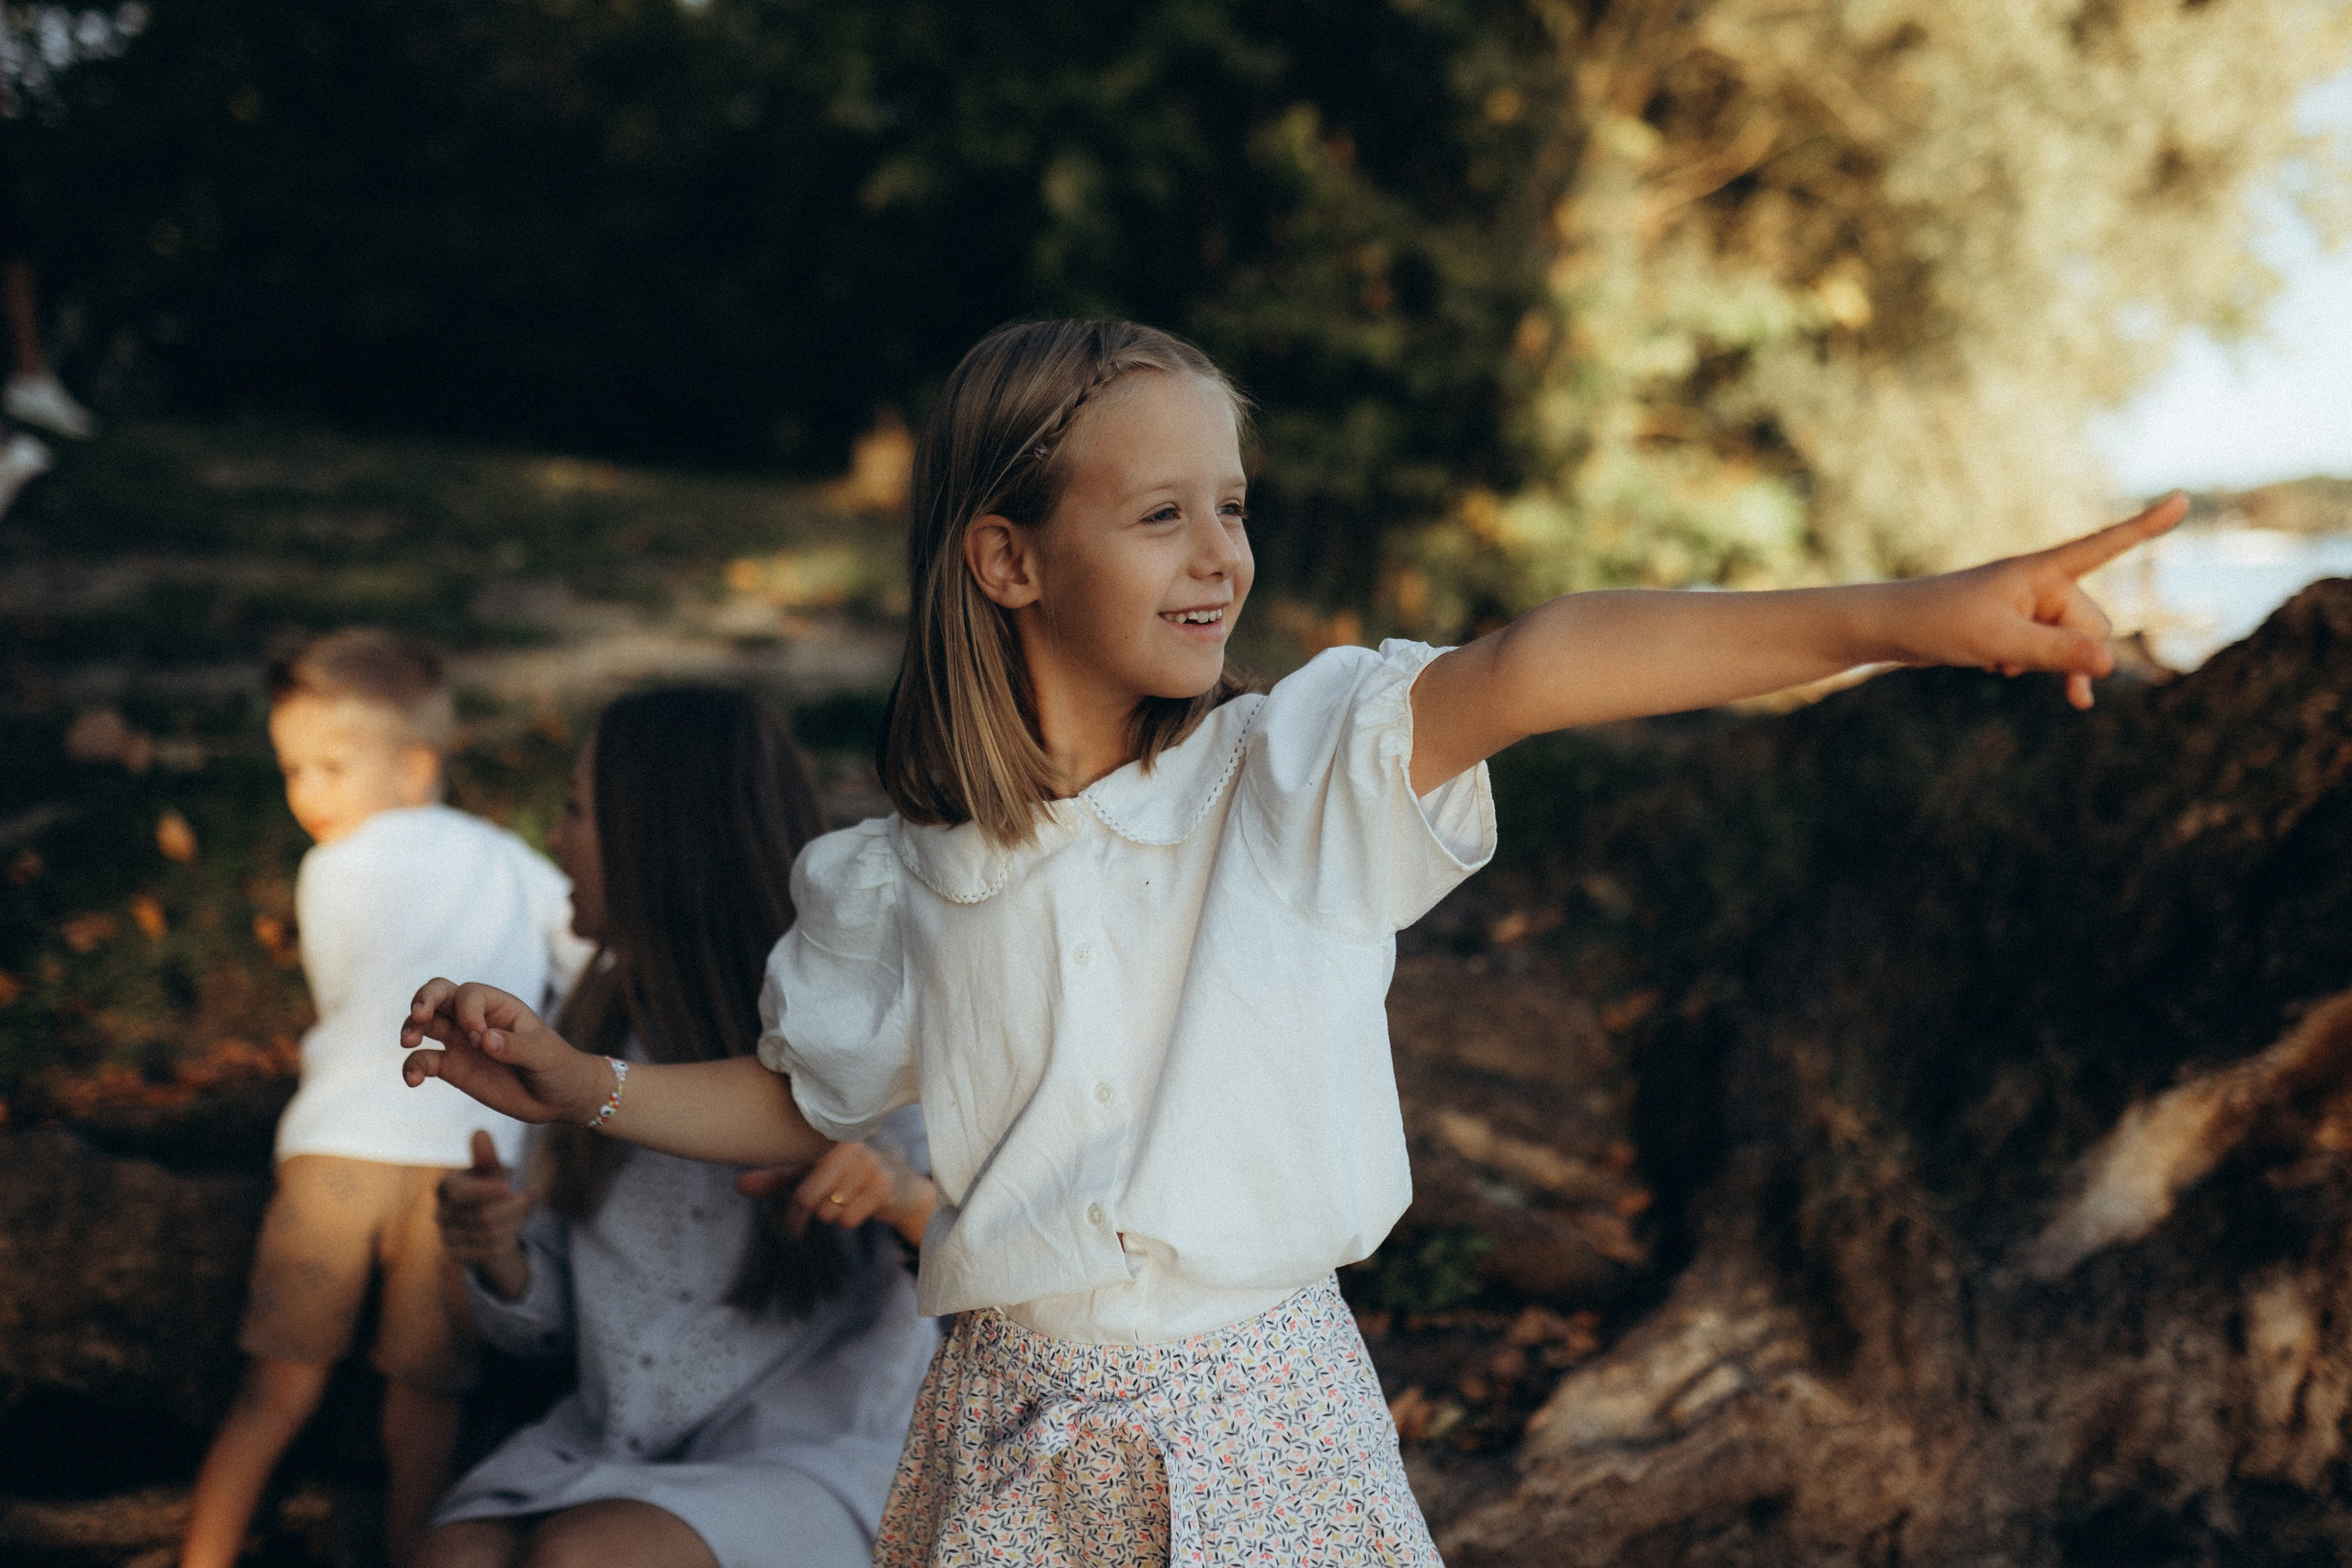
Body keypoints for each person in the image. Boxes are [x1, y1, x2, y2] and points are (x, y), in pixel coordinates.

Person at [398, 319, 2186, 1564]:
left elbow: (1546, 659)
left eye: (1233, 504)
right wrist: (589, 1080)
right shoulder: (898, 875)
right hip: (1003, 1433)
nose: (1218, 553)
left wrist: (1904, 615)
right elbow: (804, 1098)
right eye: (1160, 510)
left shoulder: (1294, 774)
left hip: (1262, 1414)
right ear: (1006, 559)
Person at [416, 687, 941, 1568]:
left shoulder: (859, 1026)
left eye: (578, 811)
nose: (554, 837)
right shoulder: (586, 1029)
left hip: (816, 1457)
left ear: (658, 843)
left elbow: (978, 1255)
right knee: (454, 1558)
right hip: (610, 1449)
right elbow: (550, 1322)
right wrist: (499, 1251)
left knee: (585, 1558)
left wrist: (892, 1192)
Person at [183, 629, 591, 1568]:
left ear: (414, 769)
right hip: (469, 1157)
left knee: (275, 1389)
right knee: (427, 1407)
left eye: (330, 766)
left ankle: (204, 1551)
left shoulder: (328, 870)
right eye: (293, 769)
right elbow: (583, 959)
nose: (308, 794)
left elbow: (345, 998)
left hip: (339, 1151)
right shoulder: (508, 861)